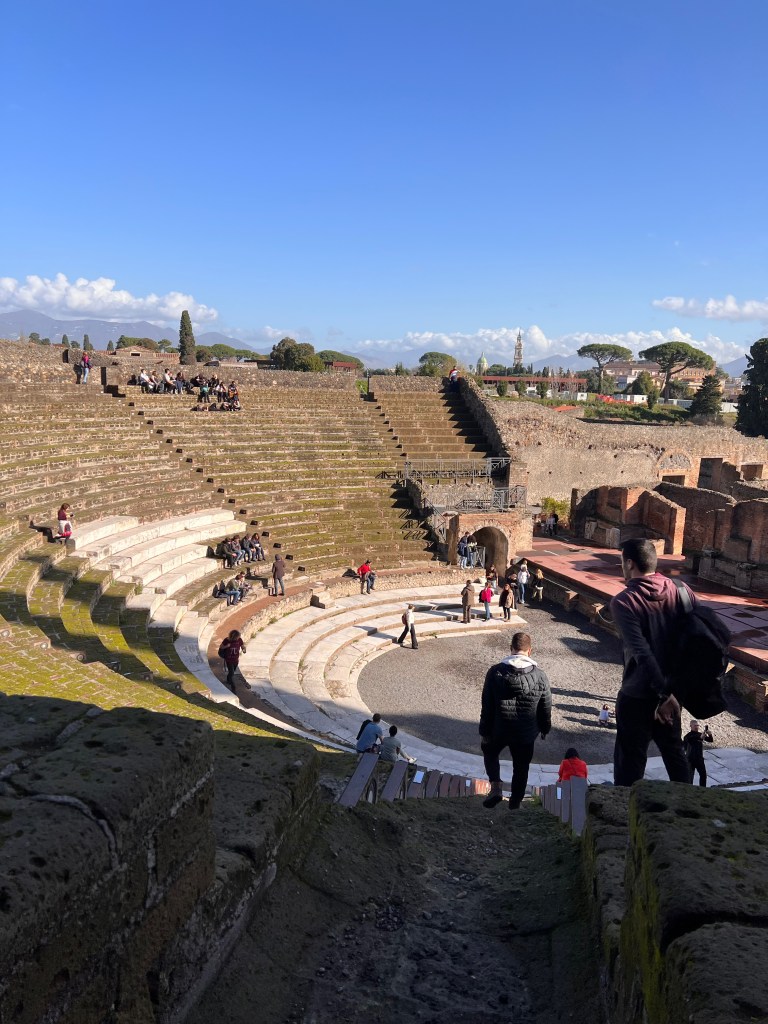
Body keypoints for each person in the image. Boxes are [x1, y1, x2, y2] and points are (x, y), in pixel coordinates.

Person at [610, 537, 692, 787]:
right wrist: (672, 694)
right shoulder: (682, 590)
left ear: (630, 564)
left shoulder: (624, 601)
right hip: (673, 695)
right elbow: (693, 643)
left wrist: (663, 695)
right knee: (675, 756)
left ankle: (624, 809)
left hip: (638, 695)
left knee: (629, 767)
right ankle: (690, 805)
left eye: (622, 562)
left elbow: (642, 653)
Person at [480, 631, 552, 810]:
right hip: (525, 733)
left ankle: (496, 786)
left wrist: (485, 731)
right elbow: (545, 707)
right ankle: (515, 803)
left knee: (489, 751)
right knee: (521, 768)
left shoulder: (495, 672)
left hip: (499, 728)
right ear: (530, 651)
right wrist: (545, 729)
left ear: (511, 648)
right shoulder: (540, 676)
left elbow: (487, 705)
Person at [683, 720, 707, 787]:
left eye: (697, 725)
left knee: (703, 775)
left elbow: (710, 740)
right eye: (695, 725)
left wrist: (709, 734)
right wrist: (700, 738)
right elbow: (690, 742)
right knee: (690, 777)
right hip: (690, 760)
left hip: (699, 759)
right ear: (691, 726)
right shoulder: (687, 736)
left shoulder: (700, 734)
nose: (696, 727)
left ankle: (703, 789)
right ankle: (689, 789)